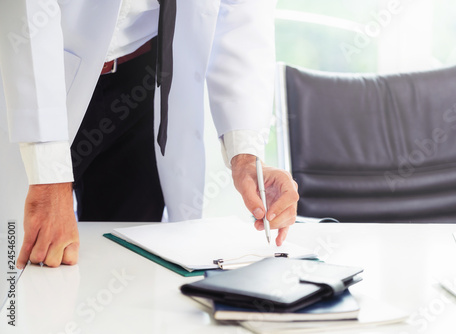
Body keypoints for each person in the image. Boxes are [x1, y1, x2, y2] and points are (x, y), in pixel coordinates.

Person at [0, 0, 299, 269]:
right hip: (35, 76)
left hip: (143, 82)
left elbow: (243, 14)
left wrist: (245, 155)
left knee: (128, 267)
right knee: (23, 264)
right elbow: (26, 9)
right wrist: (48, 180)